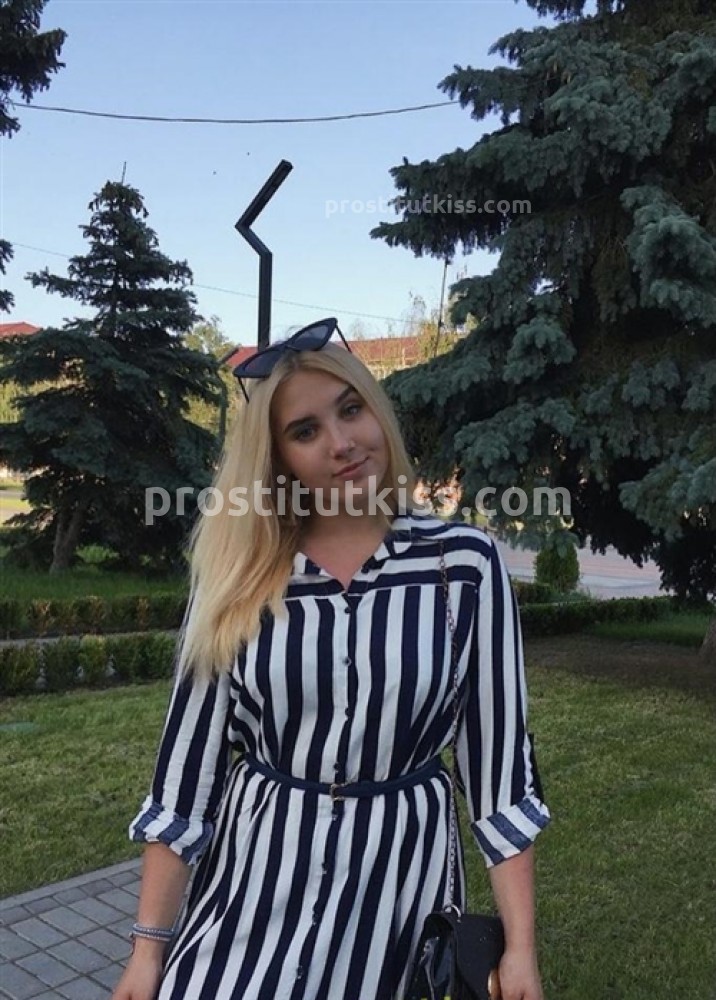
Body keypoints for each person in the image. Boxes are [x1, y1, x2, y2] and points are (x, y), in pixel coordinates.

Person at [112, 319, 551, 1000]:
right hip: (251, 892)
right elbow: (184, 778)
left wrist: (520, 949)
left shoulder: (463, 565)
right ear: (277, 459)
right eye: (305, 430)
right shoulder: (240, 573)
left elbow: (499, 777)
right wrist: (147, 954)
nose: (341, 442)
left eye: (350, 410)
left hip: (398, 898)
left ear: (377, 411)